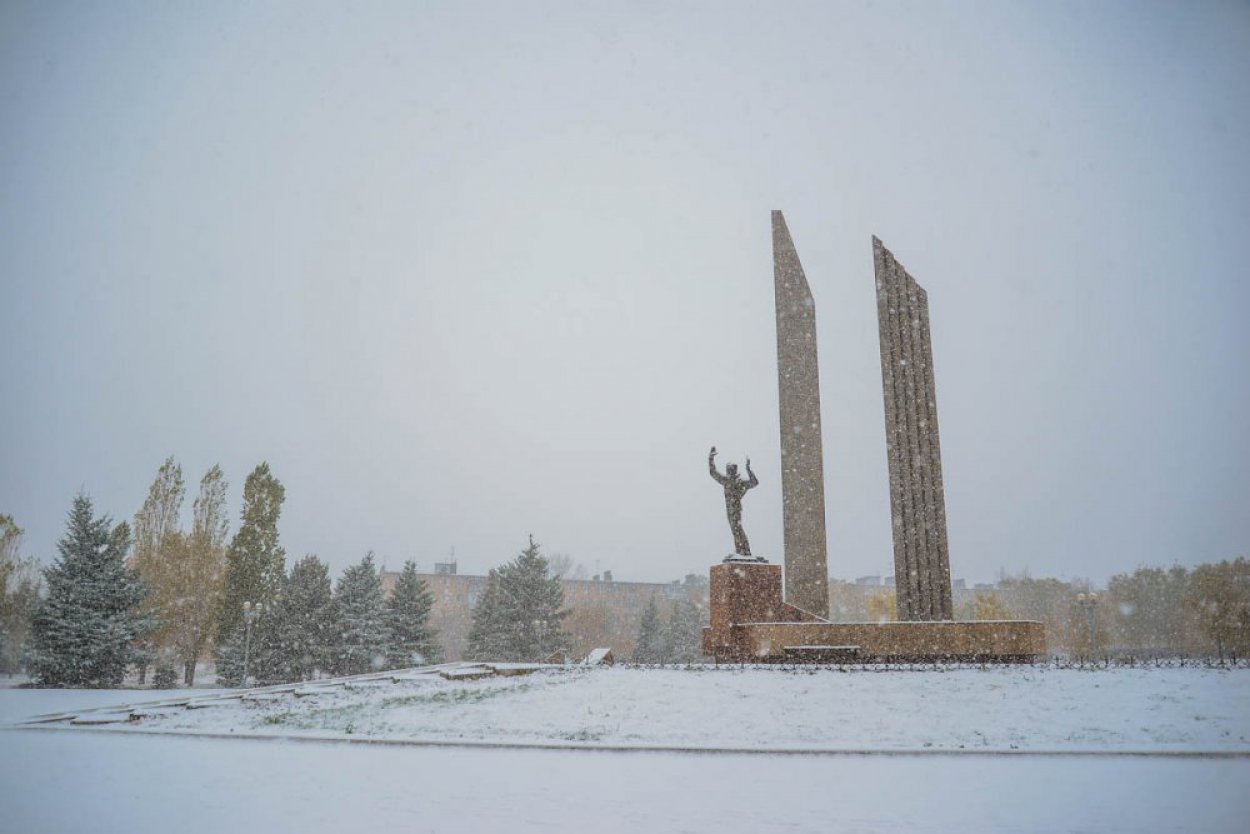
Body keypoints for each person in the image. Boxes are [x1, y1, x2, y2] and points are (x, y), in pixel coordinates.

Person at [708, 446, 759, 557]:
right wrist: (710, 459)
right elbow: (713, 472)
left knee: (737, 529)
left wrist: (748, 469)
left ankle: (744, 550)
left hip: (735, 509)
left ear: (734, 470)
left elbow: (754, 482)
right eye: (728, 470)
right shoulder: (726, 481)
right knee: (735, 530)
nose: (729, 472)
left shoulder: (738, 482)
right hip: (730, 509)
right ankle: (741, 550)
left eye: (730, 469)